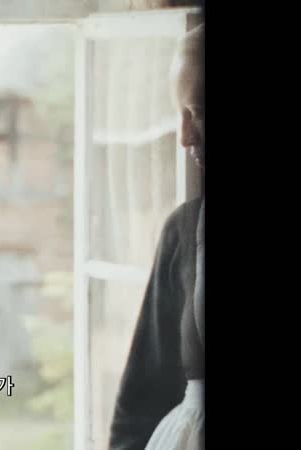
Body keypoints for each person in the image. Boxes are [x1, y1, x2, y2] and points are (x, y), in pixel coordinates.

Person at [108, 24, 204, 450]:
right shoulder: (185, 232)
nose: (184, 137)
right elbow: (141, 399)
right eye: (180, 114)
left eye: (198, 111)